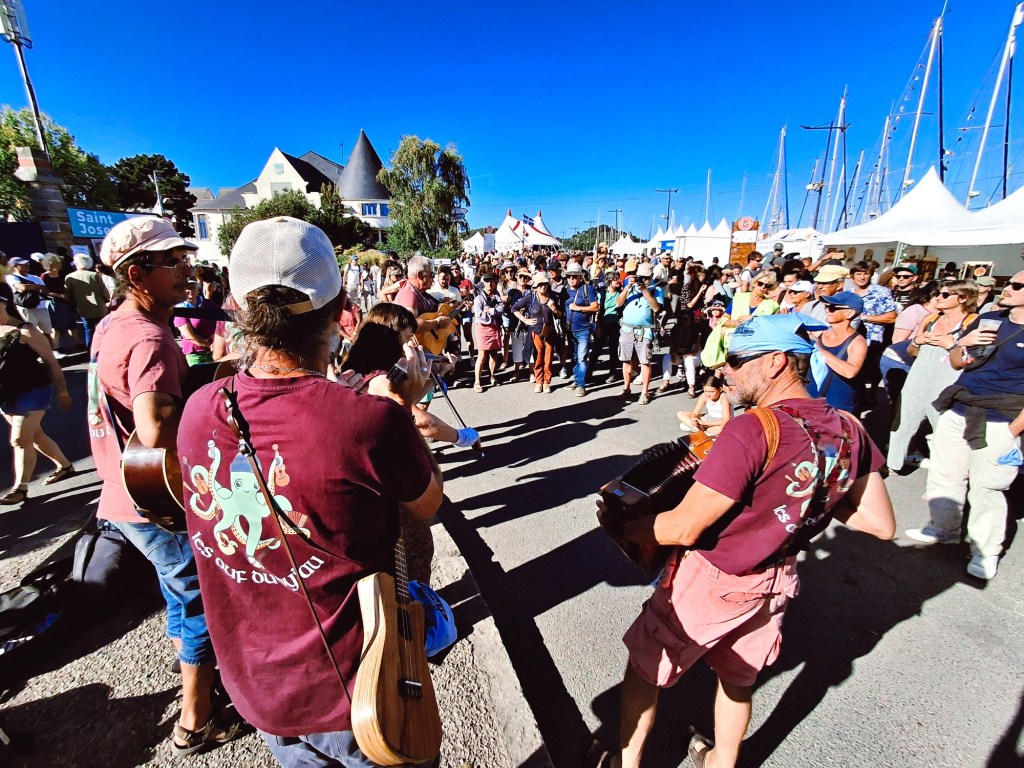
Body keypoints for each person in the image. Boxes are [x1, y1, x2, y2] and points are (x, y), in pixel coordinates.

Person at [177, 216, 444, 765]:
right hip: (357, 692)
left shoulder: (200, 407)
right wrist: (405, 407)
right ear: (341, 305)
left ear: (237, 306)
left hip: (256, 685)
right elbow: (427, 502)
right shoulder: (370, 420)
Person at [599, 313, 894, 768]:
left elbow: (683, 528)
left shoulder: (752, 428)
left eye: (736, 360)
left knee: (646, 664)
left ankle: (627, 763)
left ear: (777, 362)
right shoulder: (849, 426)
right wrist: (803, 496)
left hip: (716, 575)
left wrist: (623, 528)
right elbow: (880, 523)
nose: (725, 370)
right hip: (778, 578)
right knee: (737, 678)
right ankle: (723, 761)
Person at [90, 216, 239, 755]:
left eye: (184, 259)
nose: (186, 270)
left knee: (179, 596)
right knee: (199, 601)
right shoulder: (150, 337)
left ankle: (195, 674)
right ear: (136, 274)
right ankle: (196, 719)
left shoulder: (113, 325)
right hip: (156, 497)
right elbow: (155, 428)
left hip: (124, 493)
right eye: (172, 262)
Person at [906, 271, 1024, 580]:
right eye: (1009, 283)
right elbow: (959, 362)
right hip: (959, 407)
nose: (1006, 288)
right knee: (945, 474)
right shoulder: (990, 319)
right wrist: (962, 342)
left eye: (1016, 285)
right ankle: (944, 528)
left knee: (987, 487)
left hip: (1001, 417)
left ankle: (985, 551)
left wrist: (1014, 429)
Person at [887, 280, 978, 471]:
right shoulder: (931, 319)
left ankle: (945, 473)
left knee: (943, 431)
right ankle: (892, 465)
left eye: (945, 295)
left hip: (947, 383)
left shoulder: (972, 323)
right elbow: (912, 352)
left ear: (963, 298)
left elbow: (973, 360)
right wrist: (917, 341)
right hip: (917, 379)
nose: (938, 298)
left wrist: (952, 345)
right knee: (902, 425)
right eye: (938, 294)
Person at [0, 285, 75, 505]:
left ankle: (20, 489)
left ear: (4, 304)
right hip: (6, 396)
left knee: (19, 439)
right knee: (35, 436)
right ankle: (65, 466)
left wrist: (62, 391)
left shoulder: (26, 330)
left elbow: (51, 362)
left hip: (33, 391)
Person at [808, 292, 867, 412]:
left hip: (839, 406)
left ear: (850, 313)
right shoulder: (819, 334)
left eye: (833, 307)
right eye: (826, 306)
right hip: (812, 401)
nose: (827, 310)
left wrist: (820, 351)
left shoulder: (857, 342)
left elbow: (850, 372)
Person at [847, 261, 898, 399]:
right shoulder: (848, 294)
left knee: (870, 370)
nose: (862, 277)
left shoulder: (881, 292)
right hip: (851, 338)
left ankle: (871, 395)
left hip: (872, 340)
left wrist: (865, 317)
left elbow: (892, 317)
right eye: (858, 274)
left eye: (866, 274)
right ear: (852, 276)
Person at [617, 262, 664, 405]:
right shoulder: (630, 288)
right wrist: (627, 287)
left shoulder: (656, 290)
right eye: (640, 277)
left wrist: (644, 290)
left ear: (651, 276)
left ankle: (645, 391)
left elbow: (656, 308)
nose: (642, 280)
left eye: (645, 278)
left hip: (644, 331)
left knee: (645, 361)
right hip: (626, 329)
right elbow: (618, 303)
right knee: (626, 361)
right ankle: (626, 388)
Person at [512, 271, 562, 393]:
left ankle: (547, 383)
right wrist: (525, 320)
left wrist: (554, 308)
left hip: (549, 332)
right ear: (536, 286)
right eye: (540, 284)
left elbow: (560, 315)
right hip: (535, 332)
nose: (543, 287)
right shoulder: (531, 297)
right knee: (538, 357)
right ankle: (539, 382)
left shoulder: (553, 297)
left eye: (545, 284)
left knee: (548, 359)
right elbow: (514, 308)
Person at [564, 262, 600, 396]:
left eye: (574, 276)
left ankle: (581, 385)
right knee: (574, 358)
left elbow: (595, 307)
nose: (571, 279)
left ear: (580, 277)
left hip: (584, 330)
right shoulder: (565, 290)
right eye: (569, 276)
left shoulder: (587, 289)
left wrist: (578, 308)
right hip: (569, 330)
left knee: (582, 358)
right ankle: (576, 380)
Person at [64, 253, 110, 350]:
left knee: (88, 330)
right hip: (99, 307)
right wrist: (107, 299)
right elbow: (103, 291)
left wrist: (73, 305)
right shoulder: (94, 275)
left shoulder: (69, 277)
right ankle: (106, 348)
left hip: (83, 308)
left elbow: (69, 294)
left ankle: (90, 350)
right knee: (103, 328)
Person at [5, 257, 54, 344]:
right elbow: (21, 287)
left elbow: (46, 290)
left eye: (27, 263)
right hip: (26, 309)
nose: (27, 265)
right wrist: (37, 286)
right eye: (23, 264)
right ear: (15, 266)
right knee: (32, 332)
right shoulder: (11, 277)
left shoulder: (35, 277)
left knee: (47, 332)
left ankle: (51, 349)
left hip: (41, 307)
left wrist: (32, 287)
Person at [472, 273, 503, 391]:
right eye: (487, 281)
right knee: (482, 355)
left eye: (492, 281)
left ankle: (492, 376)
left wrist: (490, 310)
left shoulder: (496, 295)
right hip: (482, 327)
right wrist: (492, 312)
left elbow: (501, 308)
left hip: (494, 327)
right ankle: (477, 381)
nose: (490, 284)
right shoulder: (479, 298)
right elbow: (478, 314)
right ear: (483, 283)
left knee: (494, 354)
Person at [173, 281, 216, 366]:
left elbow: (221, 321)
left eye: (192, 287)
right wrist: (210, 345)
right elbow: (190, 336)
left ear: (198, 289)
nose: (189, 290)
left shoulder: (208, 304)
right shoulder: (180, 309)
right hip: (196, 354)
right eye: (186, 288)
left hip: (214, 349)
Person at [41, 253, 75, 354]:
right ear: (50, 263)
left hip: (65, 302)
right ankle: (56, 347)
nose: (59, 265)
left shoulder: (62, 274)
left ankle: (75, 345)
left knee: (70, 324)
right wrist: (59, 295)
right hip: (53, 303)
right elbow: (44, 292)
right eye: (57, 263)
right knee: (55, 327)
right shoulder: (44, 276)